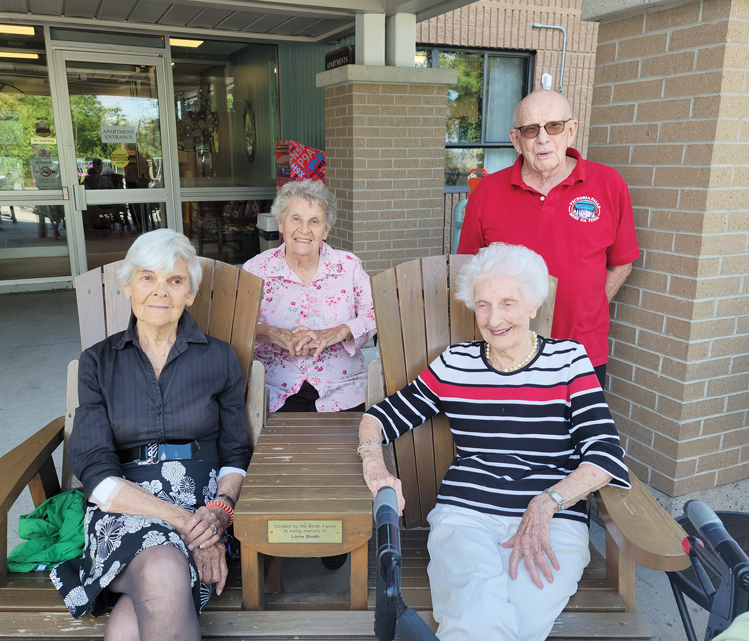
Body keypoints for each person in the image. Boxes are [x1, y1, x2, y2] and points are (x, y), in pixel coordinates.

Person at [359, 243, 630, 641]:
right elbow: (378, 417)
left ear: (534, 305)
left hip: (551, 520)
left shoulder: (568, 361)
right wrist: (374, 464)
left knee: (524, 624)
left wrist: (547, 501)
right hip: (466, 515)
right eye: (483, 304)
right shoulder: (455, 364)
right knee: (477, 616)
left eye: (508, 303)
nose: (494, 318)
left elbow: (605, 454)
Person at [51, 229, 252, 641]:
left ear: (190, 294)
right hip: (125, 507)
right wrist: (189, 527)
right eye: (147, 278)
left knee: (137, 611)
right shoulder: (98, 363)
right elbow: (95, 472)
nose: (160, 292)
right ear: (127, 286)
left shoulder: (218, 357)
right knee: (162, 567)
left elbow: (235, 453)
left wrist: (218, 513)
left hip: (203, 505)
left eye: (175, 281)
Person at [457, 89, 640, 387]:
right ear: (516, 140)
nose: (542, 138)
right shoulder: (487, 193)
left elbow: (621, 265)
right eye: (530, 130)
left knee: (577, 432)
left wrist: (588, 310)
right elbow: (467, 271)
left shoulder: (609, 184)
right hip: (507, 353)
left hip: (581, 353)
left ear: (571, 131)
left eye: (553, 126)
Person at [242, 179, 376, 414]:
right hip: (274, 391)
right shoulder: (256, 270)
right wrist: (273, 333)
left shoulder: (348, 267)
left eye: (314, 221)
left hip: (342, 389)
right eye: (296, 219)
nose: (304, 229)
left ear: (325, 230)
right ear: (281, 223)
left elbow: (375, 314)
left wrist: (336, 333)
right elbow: (237, 326)